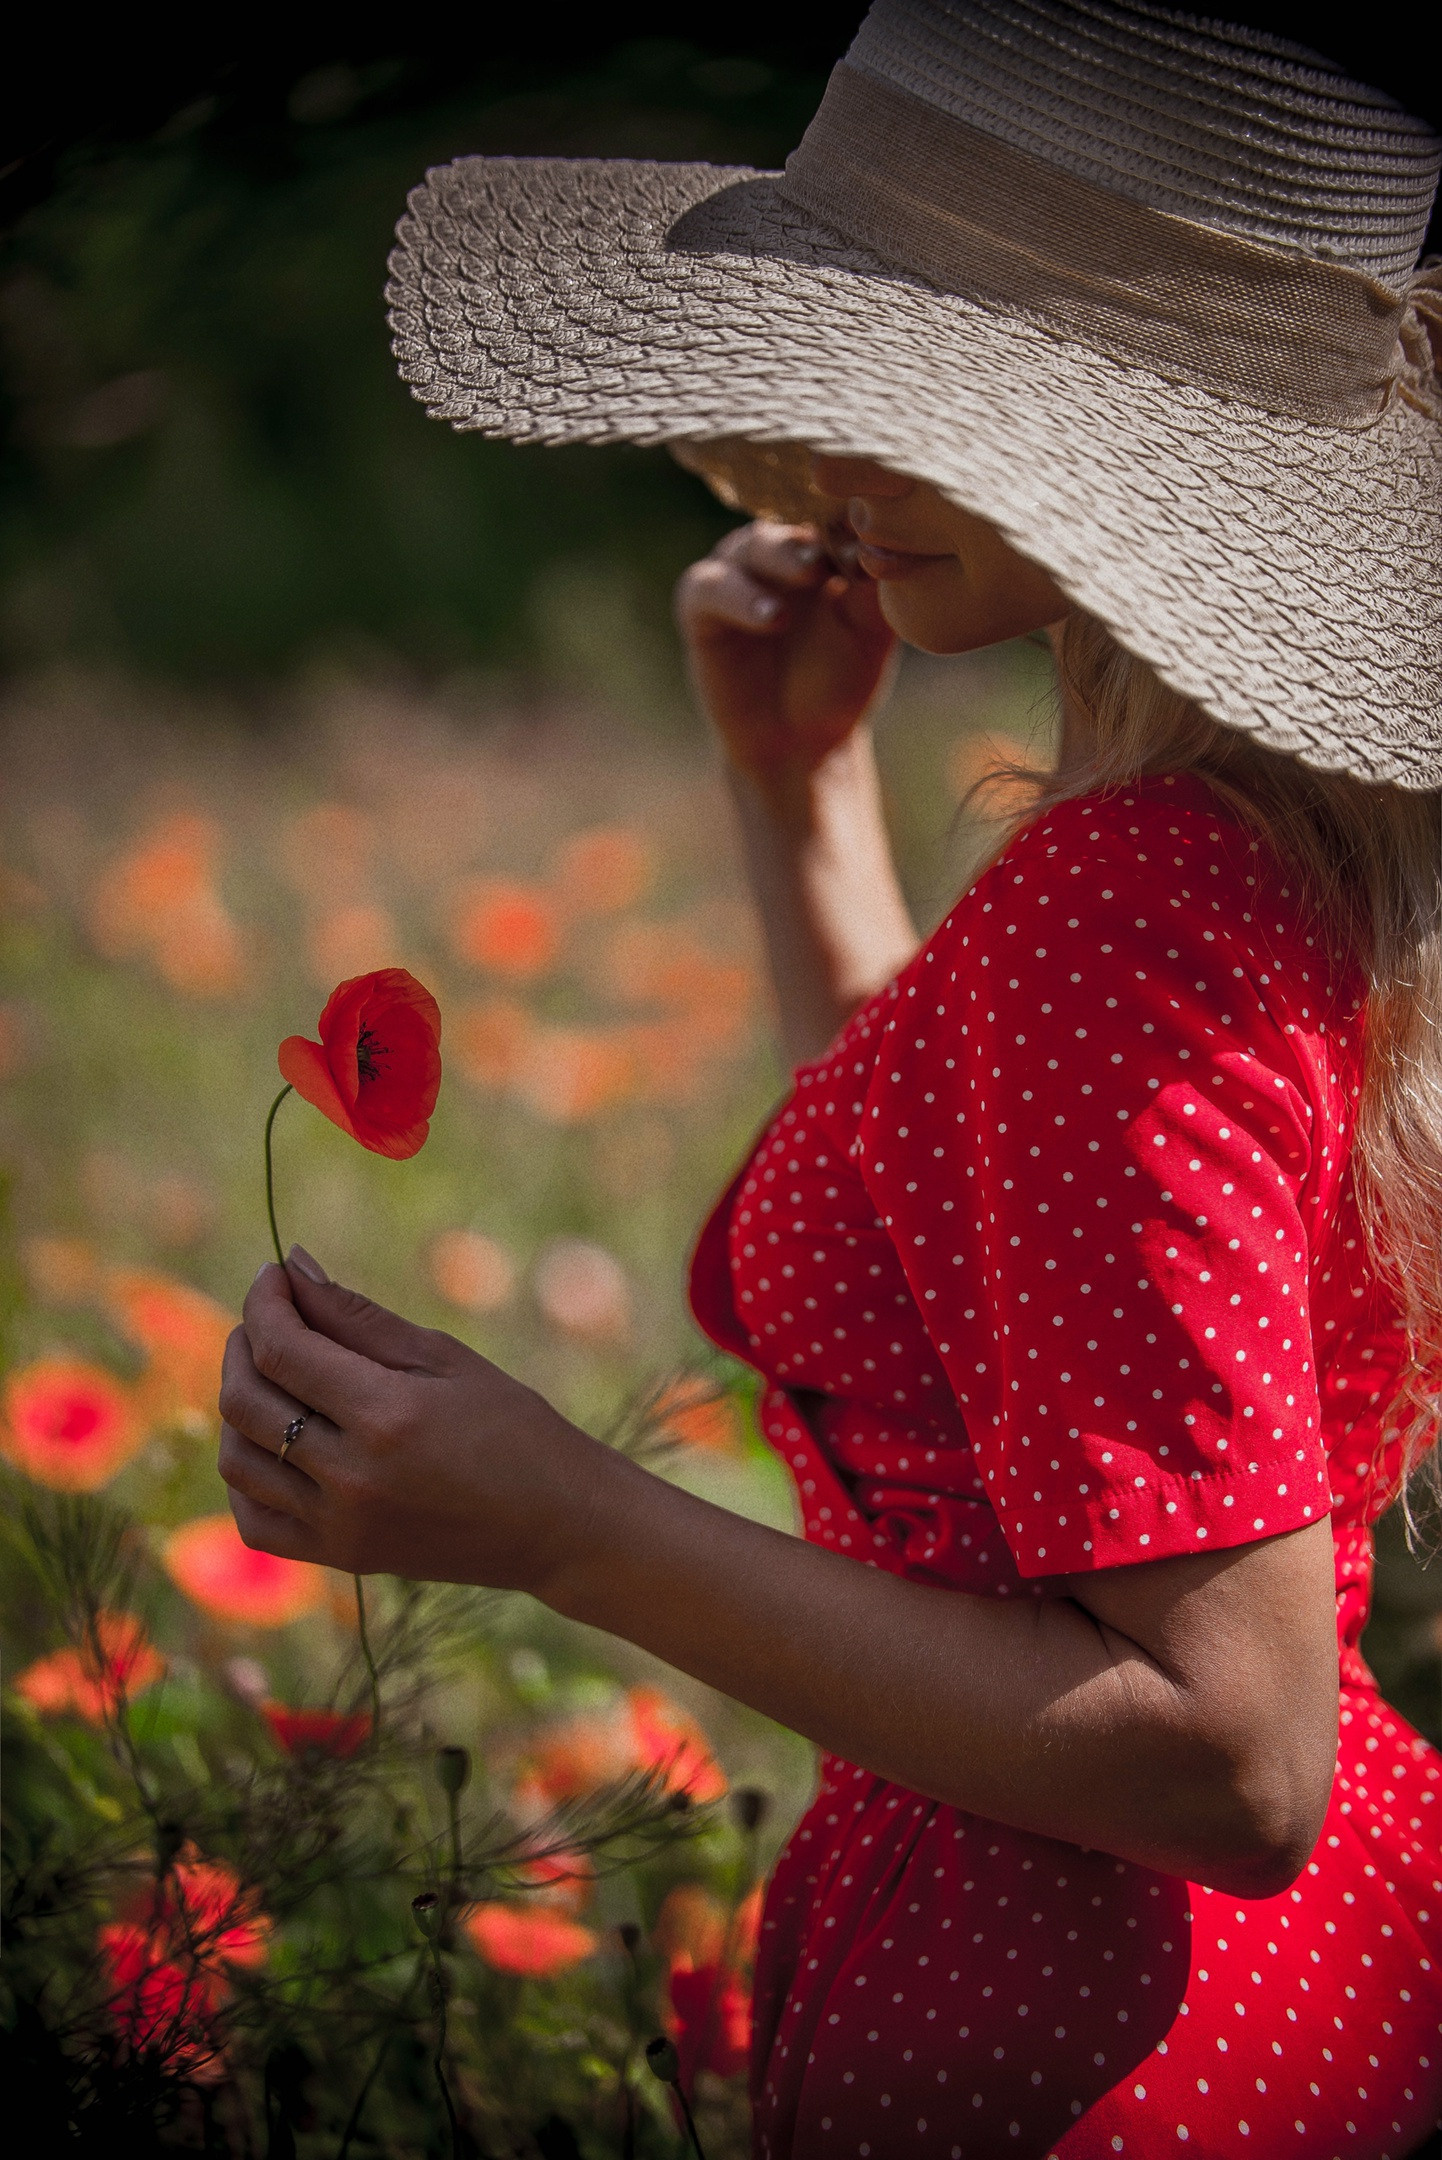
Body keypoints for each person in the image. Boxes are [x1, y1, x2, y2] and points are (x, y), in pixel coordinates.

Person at [218, 2, 1442, 2150]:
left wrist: (565, 1523)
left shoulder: (1123, 899)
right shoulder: (1233, 854)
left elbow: (1229, 1758)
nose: (825, 457)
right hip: (1258, 1994)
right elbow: (985, 1255)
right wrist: (797, 800)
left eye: (902, 392)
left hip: (1075, 2023)